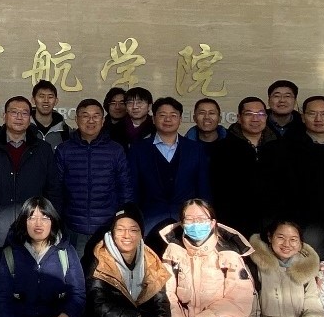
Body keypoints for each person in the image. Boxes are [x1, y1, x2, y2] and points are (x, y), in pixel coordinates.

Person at [0, 96, 63, 317]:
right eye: (14, 112)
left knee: (29, 290)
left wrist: (52, 225)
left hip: (33, 232)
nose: (19, 117)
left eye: (24, 113)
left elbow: (53, 191)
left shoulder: (43, 149)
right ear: (4, 116)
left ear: (30, 118)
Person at [268, 96, 324, 255]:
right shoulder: (284, 150)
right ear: (303, 117)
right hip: (302, 228)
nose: (318, 119)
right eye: (312, 114)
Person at [55, 98, 133, 255]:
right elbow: (56, 188)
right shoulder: (64, 150)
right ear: (76, 119)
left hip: (107, 227)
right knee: (76, 269)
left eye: (96, 116)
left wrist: (124, 220)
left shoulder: (115, 150)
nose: (91, 120)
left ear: (103, 120)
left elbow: (125, 187)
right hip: (73, 227)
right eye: (85, 116)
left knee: (106, 269)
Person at [128, 97, 209, 237]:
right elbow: (133, 188)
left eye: (173, 115)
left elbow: (204, 188)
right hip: (149, 220)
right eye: (162, 115)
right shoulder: (138, 149)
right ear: (154, 119)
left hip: (188, 221)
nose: (168, 119)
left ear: (180, 119)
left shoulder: (195, 149)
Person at [210, 97, 279, 237]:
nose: (255, 119)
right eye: (249, 114)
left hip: (273, 224)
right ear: (239, 118)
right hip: (235, 224)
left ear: (266, 117)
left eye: (260, 114)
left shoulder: (280, 147)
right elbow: (218, 191)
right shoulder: (222, 149)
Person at [29, 80, 71, 149]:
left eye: (50, 97)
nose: (46, 100)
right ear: (33, 100)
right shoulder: (24, 128)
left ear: (56, 101)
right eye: (41, 96)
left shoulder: (66, 132)